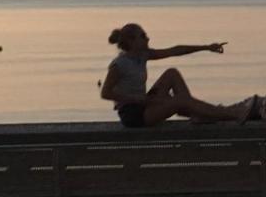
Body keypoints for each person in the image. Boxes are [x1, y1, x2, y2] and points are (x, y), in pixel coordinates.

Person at [100, 23, 255, 128]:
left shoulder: (143, 55)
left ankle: (200, 114)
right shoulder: (119, 64)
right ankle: (232, 114)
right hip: (133, 114)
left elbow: (175, 50)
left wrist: (206, 47)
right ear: (131, 41)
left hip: (145, 104)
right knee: (181, 101)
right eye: (143, 36)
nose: (148, 39)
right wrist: (137, 99)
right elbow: (105, 93)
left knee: (171, 73)